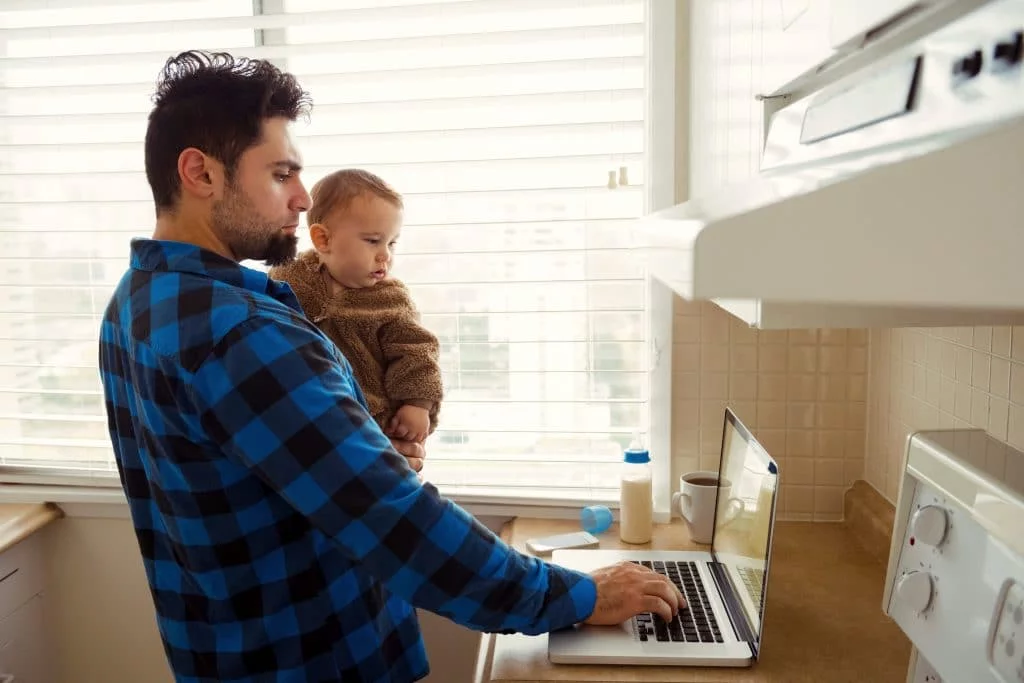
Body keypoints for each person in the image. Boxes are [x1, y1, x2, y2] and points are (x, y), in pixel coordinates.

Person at [98, 50, 683, 683]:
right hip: (320, 660)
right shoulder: (243, 334)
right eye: (281, 173)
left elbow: (241, 472)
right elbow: (392, 519)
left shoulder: (134, 302)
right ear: (199, 173)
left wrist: (358, 446)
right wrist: (575, 596)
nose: (301, 198)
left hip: (222, 653)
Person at [269, 169, 442, 444]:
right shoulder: (288, 278)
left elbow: (417, 351)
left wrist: (417, 404)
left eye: (392, 242)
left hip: (373, 423)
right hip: (308, 415)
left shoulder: (392, 299)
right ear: (323, 240)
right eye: (373, 241)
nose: (385, 254)